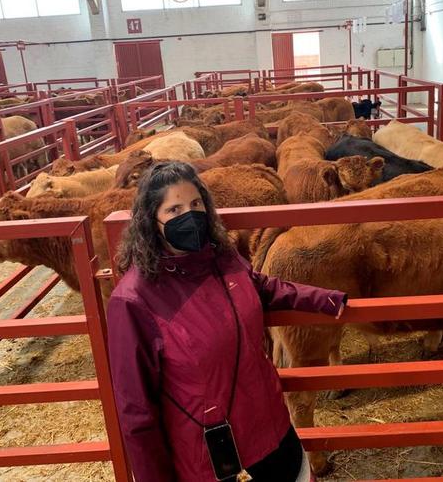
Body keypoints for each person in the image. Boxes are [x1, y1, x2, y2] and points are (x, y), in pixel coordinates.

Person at [107, 161, 347, 482]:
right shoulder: (134, 301)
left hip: (269, 422)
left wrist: (323, 299)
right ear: (151, 221)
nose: (189, 216)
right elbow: (136, 413)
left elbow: (260, 287)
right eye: (174, 209)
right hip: (208, 451)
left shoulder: (222, 258)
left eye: (195, 205)